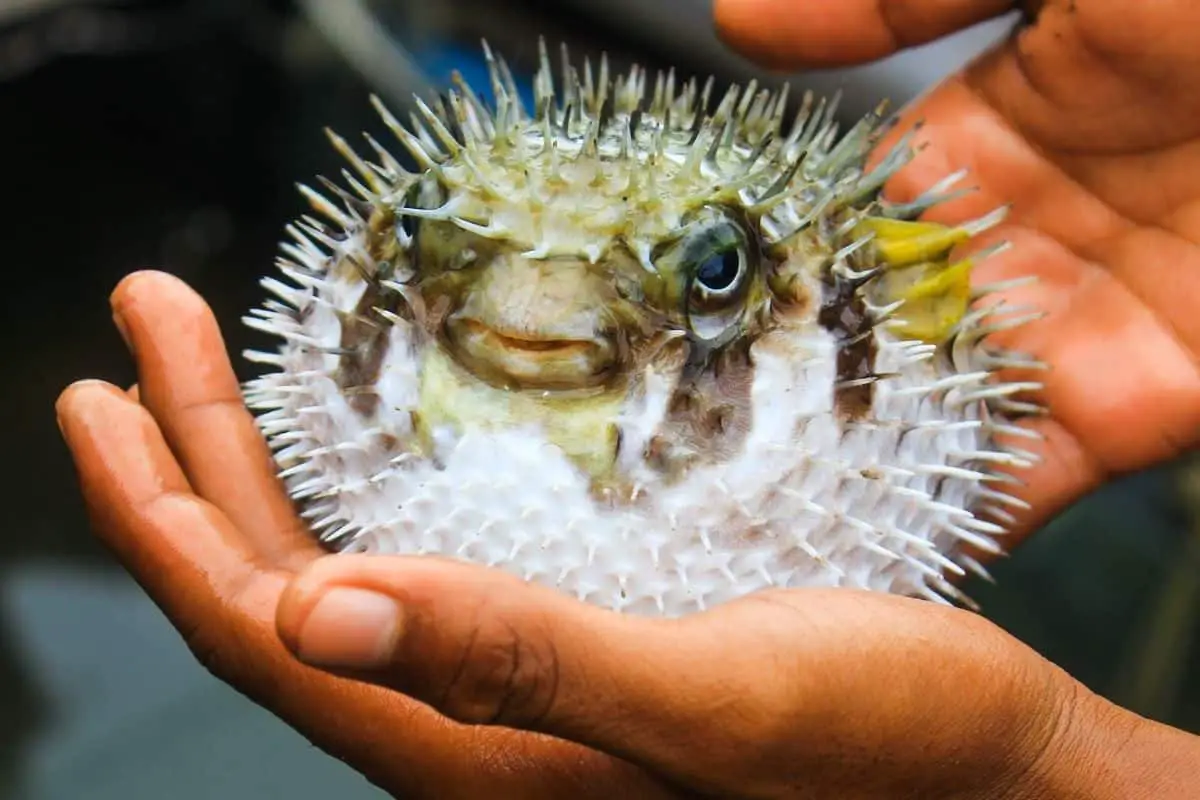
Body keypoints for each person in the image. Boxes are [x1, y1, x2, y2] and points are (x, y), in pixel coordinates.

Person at [55, 0, 1199, 797]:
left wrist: (1036, 766)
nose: (530, 313)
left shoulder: (880, 335)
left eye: (710, 278)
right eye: (433, 248)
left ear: (841, 309)